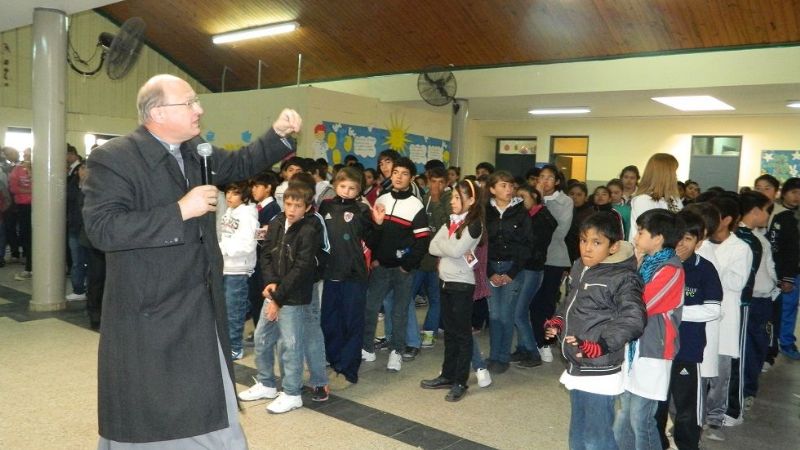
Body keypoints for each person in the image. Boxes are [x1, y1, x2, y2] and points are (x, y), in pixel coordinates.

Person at [82, 74, 301, 446]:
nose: (199, 109)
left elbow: (241, 162)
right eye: (189, 103)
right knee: (152, 410)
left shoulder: (195, 151)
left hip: (198, 302)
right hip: (150, 308)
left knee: (208, 402)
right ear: (158, 112)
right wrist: (180, 211)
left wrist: (277, 135)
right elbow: (103, 229)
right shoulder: (115, 157)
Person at [545, 211, 646, 450]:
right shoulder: (580, 266)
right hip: (577, 362)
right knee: (578, 434)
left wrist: (601, 345)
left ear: (614, 247)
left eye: (596, 242)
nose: (587, 248)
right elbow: (570, 303)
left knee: (597, 438)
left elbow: (634, 318)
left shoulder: (623, 276)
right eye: (583, 240)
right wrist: (558, 322)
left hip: (601, 368)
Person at [615, 209, 685, 450]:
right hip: (634, 347)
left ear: (658, 238)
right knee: (625, 413)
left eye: (641, 232)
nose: (635, 237)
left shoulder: (671, 269)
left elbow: (640, 304)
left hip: (654, 350)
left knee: (640, 418)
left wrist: (622, 293)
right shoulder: (646, 263)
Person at [655, 210, 722, 450]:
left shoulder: (705, 269)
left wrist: (675, 312)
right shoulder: (659, 264)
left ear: (699, 242)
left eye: (688, 239)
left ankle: (687, 445)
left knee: (686, 406)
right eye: (679, 237)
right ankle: (657, 443)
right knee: (657, 403)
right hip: (657, 348)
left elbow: (714, 309)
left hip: (687, 349)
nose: (681, 244)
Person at [259, 181, 323, 413]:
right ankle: (266, 384)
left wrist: (278, 297)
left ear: (307, 208)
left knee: (290, 345)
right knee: (262, 337)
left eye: (297, 206)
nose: (291, 209)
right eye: (288, 204)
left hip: (294, 295)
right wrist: (270, 283)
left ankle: (292, 393)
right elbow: (266, 254)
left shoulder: (309, 230)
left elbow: (301, 268)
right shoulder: (277, 221)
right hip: (275, 290)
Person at [362, 157, 430, 371]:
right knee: (370, 308)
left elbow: (422, 241)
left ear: (412, 178)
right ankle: (367, 348)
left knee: (399, 312)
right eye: (396, 173)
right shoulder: (381, 199)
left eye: (404, 174)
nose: (399, 177)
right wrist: (375, 257)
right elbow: (373, 235)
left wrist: (407, 265)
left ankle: (396, 351)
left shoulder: (416, 205)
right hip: (380, 267)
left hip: (403, 271)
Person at [420, 178, 484, 401]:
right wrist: (449, 245)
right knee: (450, 332)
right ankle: (447, 375)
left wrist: (445, 246)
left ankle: (460, 381)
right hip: (445, 280)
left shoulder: (474, 224)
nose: (453, 201)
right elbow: (431, 246)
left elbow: (456, 251)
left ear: (471, 200)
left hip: (462, 284)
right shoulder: (452, 222)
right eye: (453, 197)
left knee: (462, 334)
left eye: (458, 197)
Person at [702, 193, 752, 442]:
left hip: (725, 318)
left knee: (720, 375)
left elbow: (735, 282)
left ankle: (714, 419)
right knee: (698, 371)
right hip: (700, 316)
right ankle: (693, 418)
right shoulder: (701, 244)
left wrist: (710, 268)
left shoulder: (741, 248)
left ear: (727, 220)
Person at [319, 167, 374, 384]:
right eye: (342, 186)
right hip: (331, 273)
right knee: (330, 321)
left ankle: (349, 369)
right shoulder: (325, 206)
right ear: (335, 185)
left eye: (352, 188)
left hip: (354, 275)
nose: (346, 191)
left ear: (359, 190)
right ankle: (335, 361)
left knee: (352, 322)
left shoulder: (362, 210)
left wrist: (378, 224)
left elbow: (373, 239)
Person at [734, 191, 778, 418]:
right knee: (751, 348)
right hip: (754, 300)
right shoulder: (753, 241)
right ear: (755, 211)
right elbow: (767, 272)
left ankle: (744, 390)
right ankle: (745, 391)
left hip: (756, 300)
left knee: (752, 346)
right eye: (767, 211)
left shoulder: (753, 237)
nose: (769, 215)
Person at [484, 170, 531, 374]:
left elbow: (527, 245)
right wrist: (488, 272)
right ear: (492, 189)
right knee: (494, 315)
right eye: (503, 185)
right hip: (491, 267)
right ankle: (493, 355)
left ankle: (502, 357)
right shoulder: (485, 211)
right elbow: (480, 243)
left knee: (506, 315)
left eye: (511, 185)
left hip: (513, 268)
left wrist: (512, 272)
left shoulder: (521, 212)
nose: (509, 189)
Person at [531, 164, 573, 363]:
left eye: (549, 177)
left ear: (556, 181)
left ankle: (546, 342)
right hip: (532, 258)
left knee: (547, 301)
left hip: (554, 258)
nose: (544, 181)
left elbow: (559, 230)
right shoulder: (530, 197)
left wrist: (540, 204)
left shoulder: (565, 201)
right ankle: (532, 341)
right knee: (531, 301)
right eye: (541, 177)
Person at [512, 185, 556, 368]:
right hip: (523, 268)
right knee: (520, 311)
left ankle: (532, 352)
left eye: (523, 196)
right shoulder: (525, 216)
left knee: (518, 313)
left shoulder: (542, 217)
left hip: (532, 269)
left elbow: (534, 246)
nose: (519, 201)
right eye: (517, 197)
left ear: (535, 196)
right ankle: (522, 348)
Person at [219, 181, 259, 361]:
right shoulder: (229, 211)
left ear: (244, 196)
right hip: (226, 266)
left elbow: (248, 245)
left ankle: (235, 347)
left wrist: (223, 249)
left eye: (235, 193)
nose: (229, 196)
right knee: (228, 308)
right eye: (228, 192)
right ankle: (228, 343)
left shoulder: (248, 215)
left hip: (238, 268)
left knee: (234, 310)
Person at [765, 177, 800, 362]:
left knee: (790, 309)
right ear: (784, 193)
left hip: (795, 270)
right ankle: (779, 343)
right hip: (782, 271)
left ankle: (786, 342)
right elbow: (776, 247)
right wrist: (785, 276)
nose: (797, 197)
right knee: (783, 308)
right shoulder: (776, 214)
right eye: (793, 192)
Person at [628, 153, 683, 242]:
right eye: (674, 172)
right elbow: (650, 235)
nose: (676, 176)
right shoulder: (643, 200)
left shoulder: (674, 199)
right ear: (664, 175)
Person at [66, 145, 88, 301]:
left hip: (88, 230)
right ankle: (78, 289)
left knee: (90, 262)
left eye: (86, 169)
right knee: (77, 261)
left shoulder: (97, 187)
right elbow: (69, 200)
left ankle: (90, 289)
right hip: (75, 227)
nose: (83, 171)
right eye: (81, 168)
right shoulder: (73, 184)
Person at [9, 148, 31, 280]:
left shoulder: (40, 169)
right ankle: (29, 265)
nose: (27, 157)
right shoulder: (17, 170)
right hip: (23, 207)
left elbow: (42, 187)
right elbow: (13, 188)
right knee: (25, 237)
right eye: (25, 154)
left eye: (29, 154)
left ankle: (32, 266)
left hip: (38, 207)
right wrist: (30, 191)